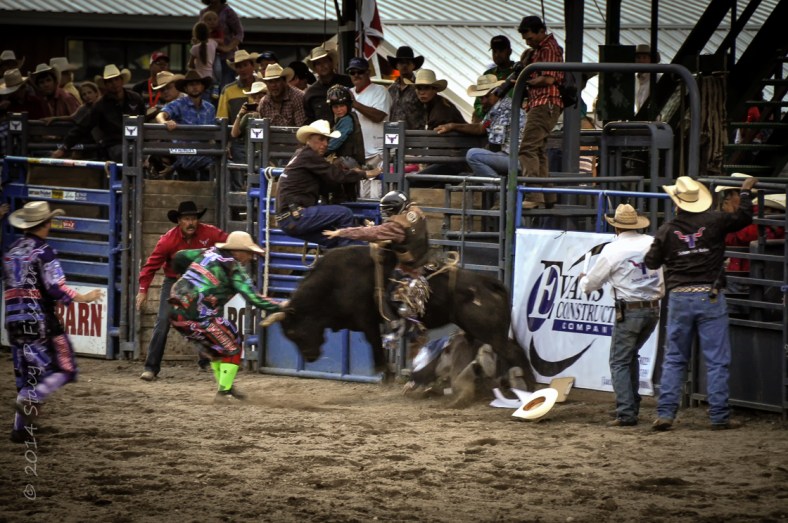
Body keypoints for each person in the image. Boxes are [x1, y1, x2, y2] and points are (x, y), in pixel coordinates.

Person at [645, 175, 758, 431]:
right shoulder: (715, 221)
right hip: (710, 294)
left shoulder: (666, 230)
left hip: (680, 296)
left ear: (677, 203)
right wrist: (746, 192)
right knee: (717, 359)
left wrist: (673, 258)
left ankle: (666, 413)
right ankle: (719, 416)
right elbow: (743, 218)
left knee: (674, 358)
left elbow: (651, 261)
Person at [4, 201, 104, 443]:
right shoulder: (44, 252)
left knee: (26, 373)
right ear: (46, 224)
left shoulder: (10, 251)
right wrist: (83, 297)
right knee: (65, 367)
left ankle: (20, 429)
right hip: (38, 319)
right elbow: (55, 287)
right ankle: (33, 397)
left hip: (13, 319)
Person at [579, 204, 664, 427]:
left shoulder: (613, 250)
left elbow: (591, 284)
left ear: (616, 227)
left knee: (619, 361)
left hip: (630, 310)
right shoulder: (651, 242)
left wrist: (583, 280)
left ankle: (626, 411)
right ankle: (631, 405)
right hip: (653, 308)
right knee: (630, 356)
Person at [168, 231, 280, 401]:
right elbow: (255, 299)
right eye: (249, 253)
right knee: (232, 344)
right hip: (198, 315)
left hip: (176, 311)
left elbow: (179, 256)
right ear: (238, 251)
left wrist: (185, 276)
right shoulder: (234, 268)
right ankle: (223, 391)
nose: (250, 257)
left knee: (219, 345)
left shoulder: (206, 252)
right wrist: (281, 306)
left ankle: (226, 385)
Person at [137, 201, 228, 381]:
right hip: (174, 282)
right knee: (163, 321)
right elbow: (150, 267)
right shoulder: (167, 241)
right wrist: (142, 290)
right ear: (179, 221)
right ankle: (151, 367)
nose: (191, 223)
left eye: (193, 218)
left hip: (201, 282)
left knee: (209, 318)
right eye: (186, 219)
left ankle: (206, 360)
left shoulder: (210, 233)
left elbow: (228, 241)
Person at [323, 190, 430, 337]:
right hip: (423, 257)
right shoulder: (414, 211)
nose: (386, 214)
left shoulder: (396, 226)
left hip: (408, 266)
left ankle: (399, 325)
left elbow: (374, 233)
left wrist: (342, 232)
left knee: (384, 292)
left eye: (387, 211)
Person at [275, 119, 380, 248]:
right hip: (296, 216)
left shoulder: (300, 155)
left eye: (327, 140)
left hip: (288, 220)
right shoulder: (309, 156)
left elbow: (329, 178)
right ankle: (355, 258)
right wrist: (364, 174)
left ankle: (343, 262)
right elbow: (336, 176)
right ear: (309, 139)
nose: (325, 144)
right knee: (344, 213)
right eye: (321, 139)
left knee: (335, 237)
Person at [516, 15, 565, 209]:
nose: (528, 42)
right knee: (538, 149)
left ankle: (534, 195)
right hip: (543, 103)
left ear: (540, 31)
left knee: (527, 148)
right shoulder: (539, 50)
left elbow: (549, 79)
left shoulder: (548, 48)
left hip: (545, 102)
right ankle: (547, 195)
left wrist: (524, 80)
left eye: (530, 37)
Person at [435, 74, 524, 179]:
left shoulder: (504, 109)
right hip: (512, 157)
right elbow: (481, 127)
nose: (483, 101)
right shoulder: (497, 108)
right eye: (481, 98)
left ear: (497, 92)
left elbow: (494, 142)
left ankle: (497, 189)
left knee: (473, 155)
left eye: (487, 96)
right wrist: (453, 126)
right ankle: (496, 187)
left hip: (518, 160)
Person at [55, 64, 145, 162]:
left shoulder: (135, 98)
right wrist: (64, 147)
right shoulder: (100, 105)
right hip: (114, 144)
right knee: (128, 154)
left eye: (116, 79)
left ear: (121, 80)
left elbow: (144, 119)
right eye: (109, 81)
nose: (114, 83)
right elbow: (82, 126)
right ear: (105, 85)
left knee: (143, 154)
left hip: (136, 141)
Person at [155, 70, 216, 180]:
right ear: (186, 89)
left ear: (202, 87)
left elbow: (212, 137)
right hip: (186, 153)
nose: (194, 87)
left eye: (197, 84)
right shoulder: (179, 104)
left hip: (204, 152)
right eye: (191, 85)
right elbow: (160, 115)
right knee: (219, 161)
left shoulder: (209, 108)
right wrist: (165, 122)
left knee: (220, 160)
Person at [347, 56, 391, 200]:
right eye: (352, 72)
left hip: (377, 154)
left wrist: (354, 104)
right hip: (357, 154)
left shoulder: (380, 91)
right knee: (360, 196)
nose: (356, 75)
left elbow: (379, 116)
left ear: (368, 72)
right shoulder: (349, 92)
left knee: (376, 196)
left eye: (359, 71)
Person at [217, 49, 259, 178]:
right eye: (239, 66)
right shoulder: (228, 90)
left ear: (252, 66)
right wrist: (226, 143)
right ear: (235, 69)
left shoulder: (263, 86)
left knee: (260, 174)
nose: (242, 69)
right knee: (239, 176)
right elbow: (221, 118)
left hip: (261, 138)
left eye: (245, 65)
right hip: (238, 140)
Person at [324, 84, 365, 202]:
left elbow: (336, 141)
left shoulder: (347, 120)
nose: (339, 109)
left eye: (342, 105)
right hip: (347, 160)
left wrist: (320, 152)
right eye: (335, 107)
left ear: (348, 105)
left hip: (349, 161)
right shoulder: (342, 119)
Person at [199, 0, 244, 90]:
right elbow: (199, 32)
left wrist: (228, 48)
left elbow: (239, 33)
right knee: (208, 87)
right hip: (208, 57)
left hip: (227, 58)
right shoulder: (203, 12)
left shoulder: (228, 11)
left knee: (226, 86)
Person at [303, 46, 353, 123]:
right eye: (318, 63)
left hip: (349, 131)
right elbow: (310, 119)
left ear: (331, 63)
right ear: (315, 68)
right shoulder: (310, 93)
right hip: (322, 133)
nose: (322, 66)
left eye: (325, 61)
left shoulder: (348, 82)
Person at [472, 35, 516, 122]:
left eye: (501, 51)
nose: (497, 54)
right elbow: (478, 103)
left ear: (509, 52)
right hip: (488, 119)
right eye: (494, 51)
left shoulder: (517, 72)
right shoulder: (488, 74)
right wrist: (483, 109)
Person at [386, 46, 426, 130]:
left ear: (413, 65)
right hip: (394, 135)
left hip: (415, 137)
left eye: (408, 63)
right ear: (397, 66)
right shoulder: (390, 90)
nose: (404, 66)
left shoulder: (421, 88)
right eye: (401, 63)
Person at [635, 44, 659, 114]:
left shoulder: (657, 79)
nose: (641, 60)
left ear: (651, 60)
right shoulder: (635, 80)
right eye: (638, 57)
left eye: (644, 57)